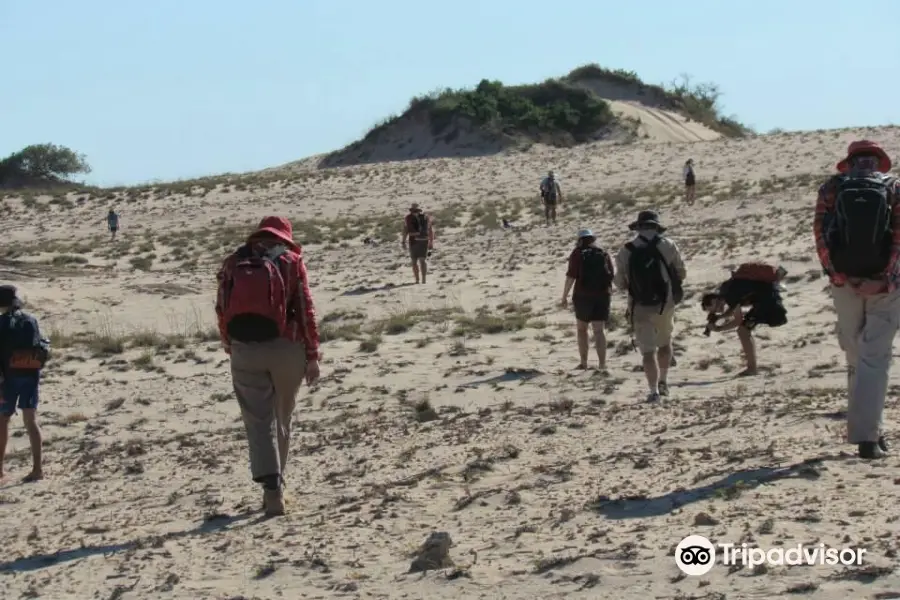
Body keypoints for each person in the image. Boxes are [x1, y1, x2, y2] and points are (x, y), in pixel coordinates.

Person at [215, 216, 321, 514]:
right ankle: (278, 487)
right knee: (282, 418)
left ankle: (271, 489)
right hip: (288, 348)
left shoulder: (234, 262)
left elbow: (222, 306)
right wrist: (312, 354)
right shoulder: (291, 261)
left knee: (258, 421)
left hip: (245, 349)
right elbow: (305, 308)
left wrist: (228, 342)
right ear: (284, 236)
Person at [813, 140, 900, 459]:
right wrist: (885, 279)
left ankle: (869, 430)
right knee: (874, 358)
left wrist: (836, 274)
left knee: (855, 354)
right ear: (878, 161)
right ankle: (868, 437)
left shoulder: (831, 188)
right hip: (885, 287)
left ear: (849, 162)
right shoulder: (894, 187)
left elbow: (820, 234)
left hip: (843, 282)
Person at [614, 210, 686, 402]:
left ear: (638, 227)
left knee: (647, 351)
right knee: (664, 343)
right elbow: (681, 272)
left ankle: (653, 391)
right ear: (656, 226)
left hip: (639, 306)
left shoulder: (626, 250)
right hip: (665, 303)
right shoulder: (668, 245)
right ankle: (663, 381)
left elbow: (620, 283)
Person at [701, 263, 788, 376]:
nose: (716, 311)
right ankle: (752, 367)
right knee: (744, 331)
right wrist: (720, 318)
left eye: (713, 309)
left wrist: (719, 328)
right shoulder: (726, 290)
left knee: (743, 331)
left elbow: (737, 320)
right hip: (766, 299)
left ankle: (752, 369)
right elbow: (733, 310)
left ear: (713, 301)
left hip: (767, 301)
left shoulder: (729, 294)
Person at [0, 285, 48, 483]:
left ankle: (0, 470)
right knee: (31, 421)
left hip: (7, 379)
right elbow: (41, 344)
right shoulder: (31, 319)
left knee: (2, 421)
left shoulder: (1, 323)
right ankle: (37, 469)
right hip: (30, 374)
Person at [560, 229, 615, 371]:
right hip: (602, 296)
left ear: (579, 240)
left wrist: (564, 296)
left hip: (582, 296)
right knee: (599, 331)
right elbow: (611, 275)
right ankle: (602, 364)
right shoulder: (603, 253)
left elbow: (571, 276)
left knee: (582, 329)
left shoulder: (577, 254)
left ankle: (584, 363)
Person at [401, 203, 434, 284]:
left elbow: (405, 230)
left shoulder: (408, 218)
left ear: (411, 210)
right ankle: (424, 280)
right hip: (424, 240)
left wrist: (403, 242)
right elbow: (430, 230)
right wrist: (431, 242)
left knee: (414, 261)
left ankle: (417, 280)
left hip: (413, 240)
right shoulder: (426, 217)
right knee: (422, 260)